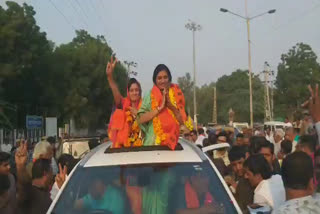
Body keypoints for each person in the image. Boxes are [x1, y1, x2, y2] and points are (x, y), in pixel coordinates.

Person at [137, 64, 187, 150]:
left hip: (172, 144)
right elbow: (140, 119)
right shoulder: (149, 95)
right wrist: (159, 108)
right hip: (152, 145)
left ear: (169, 78)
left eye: (165, 77)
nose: (163, 81)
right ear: (155, 80)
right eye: (159, 78)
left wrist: (170, 106)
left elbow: (182, 122)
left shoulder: (176, 94)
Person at [107, 56, 143, 148]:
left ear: (140, 91)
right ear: (128, 92)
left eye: (136, 90)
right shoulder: (123, 105)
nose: (134, 93)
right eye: (132, 90)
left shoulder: (145, 107)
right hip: (123, 151)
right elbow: (116, 93)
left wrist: (138, 114)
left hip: (143, 149)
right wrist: (110, 77)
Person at [226, 146, 253, 214]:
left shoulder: (252, 179)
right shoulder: (239, 180)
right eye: (234, 165)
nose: (238, 168)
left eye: (240, 163)